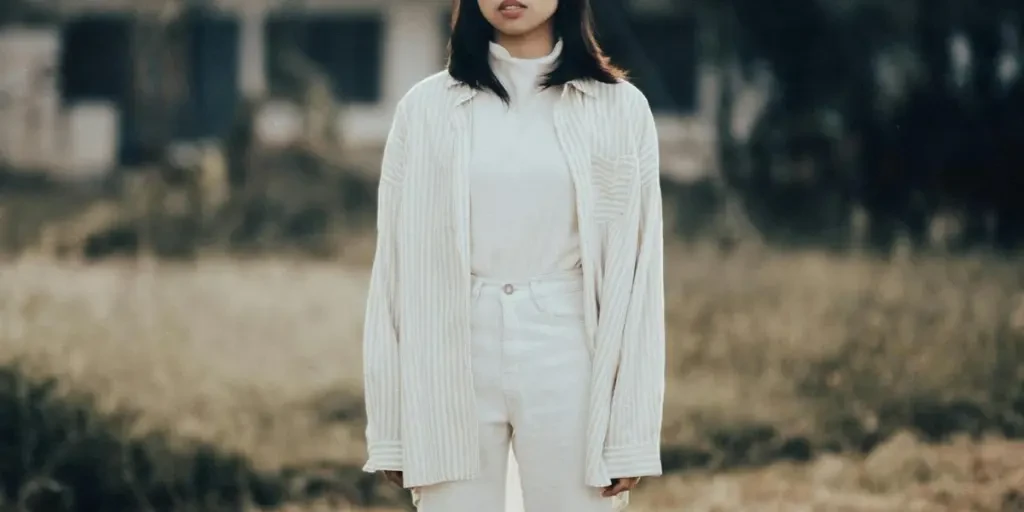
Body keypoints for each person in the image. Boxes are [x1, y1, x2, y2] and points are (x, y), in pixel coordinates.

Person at [361, 0, 666, 509]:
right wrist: (390, 427)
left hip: (569, 346)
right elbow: (393, 269)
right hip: (450, 349)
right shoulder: (425, 109)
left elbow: (639, 274)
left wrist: (631, 430)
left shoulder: (620, 109)